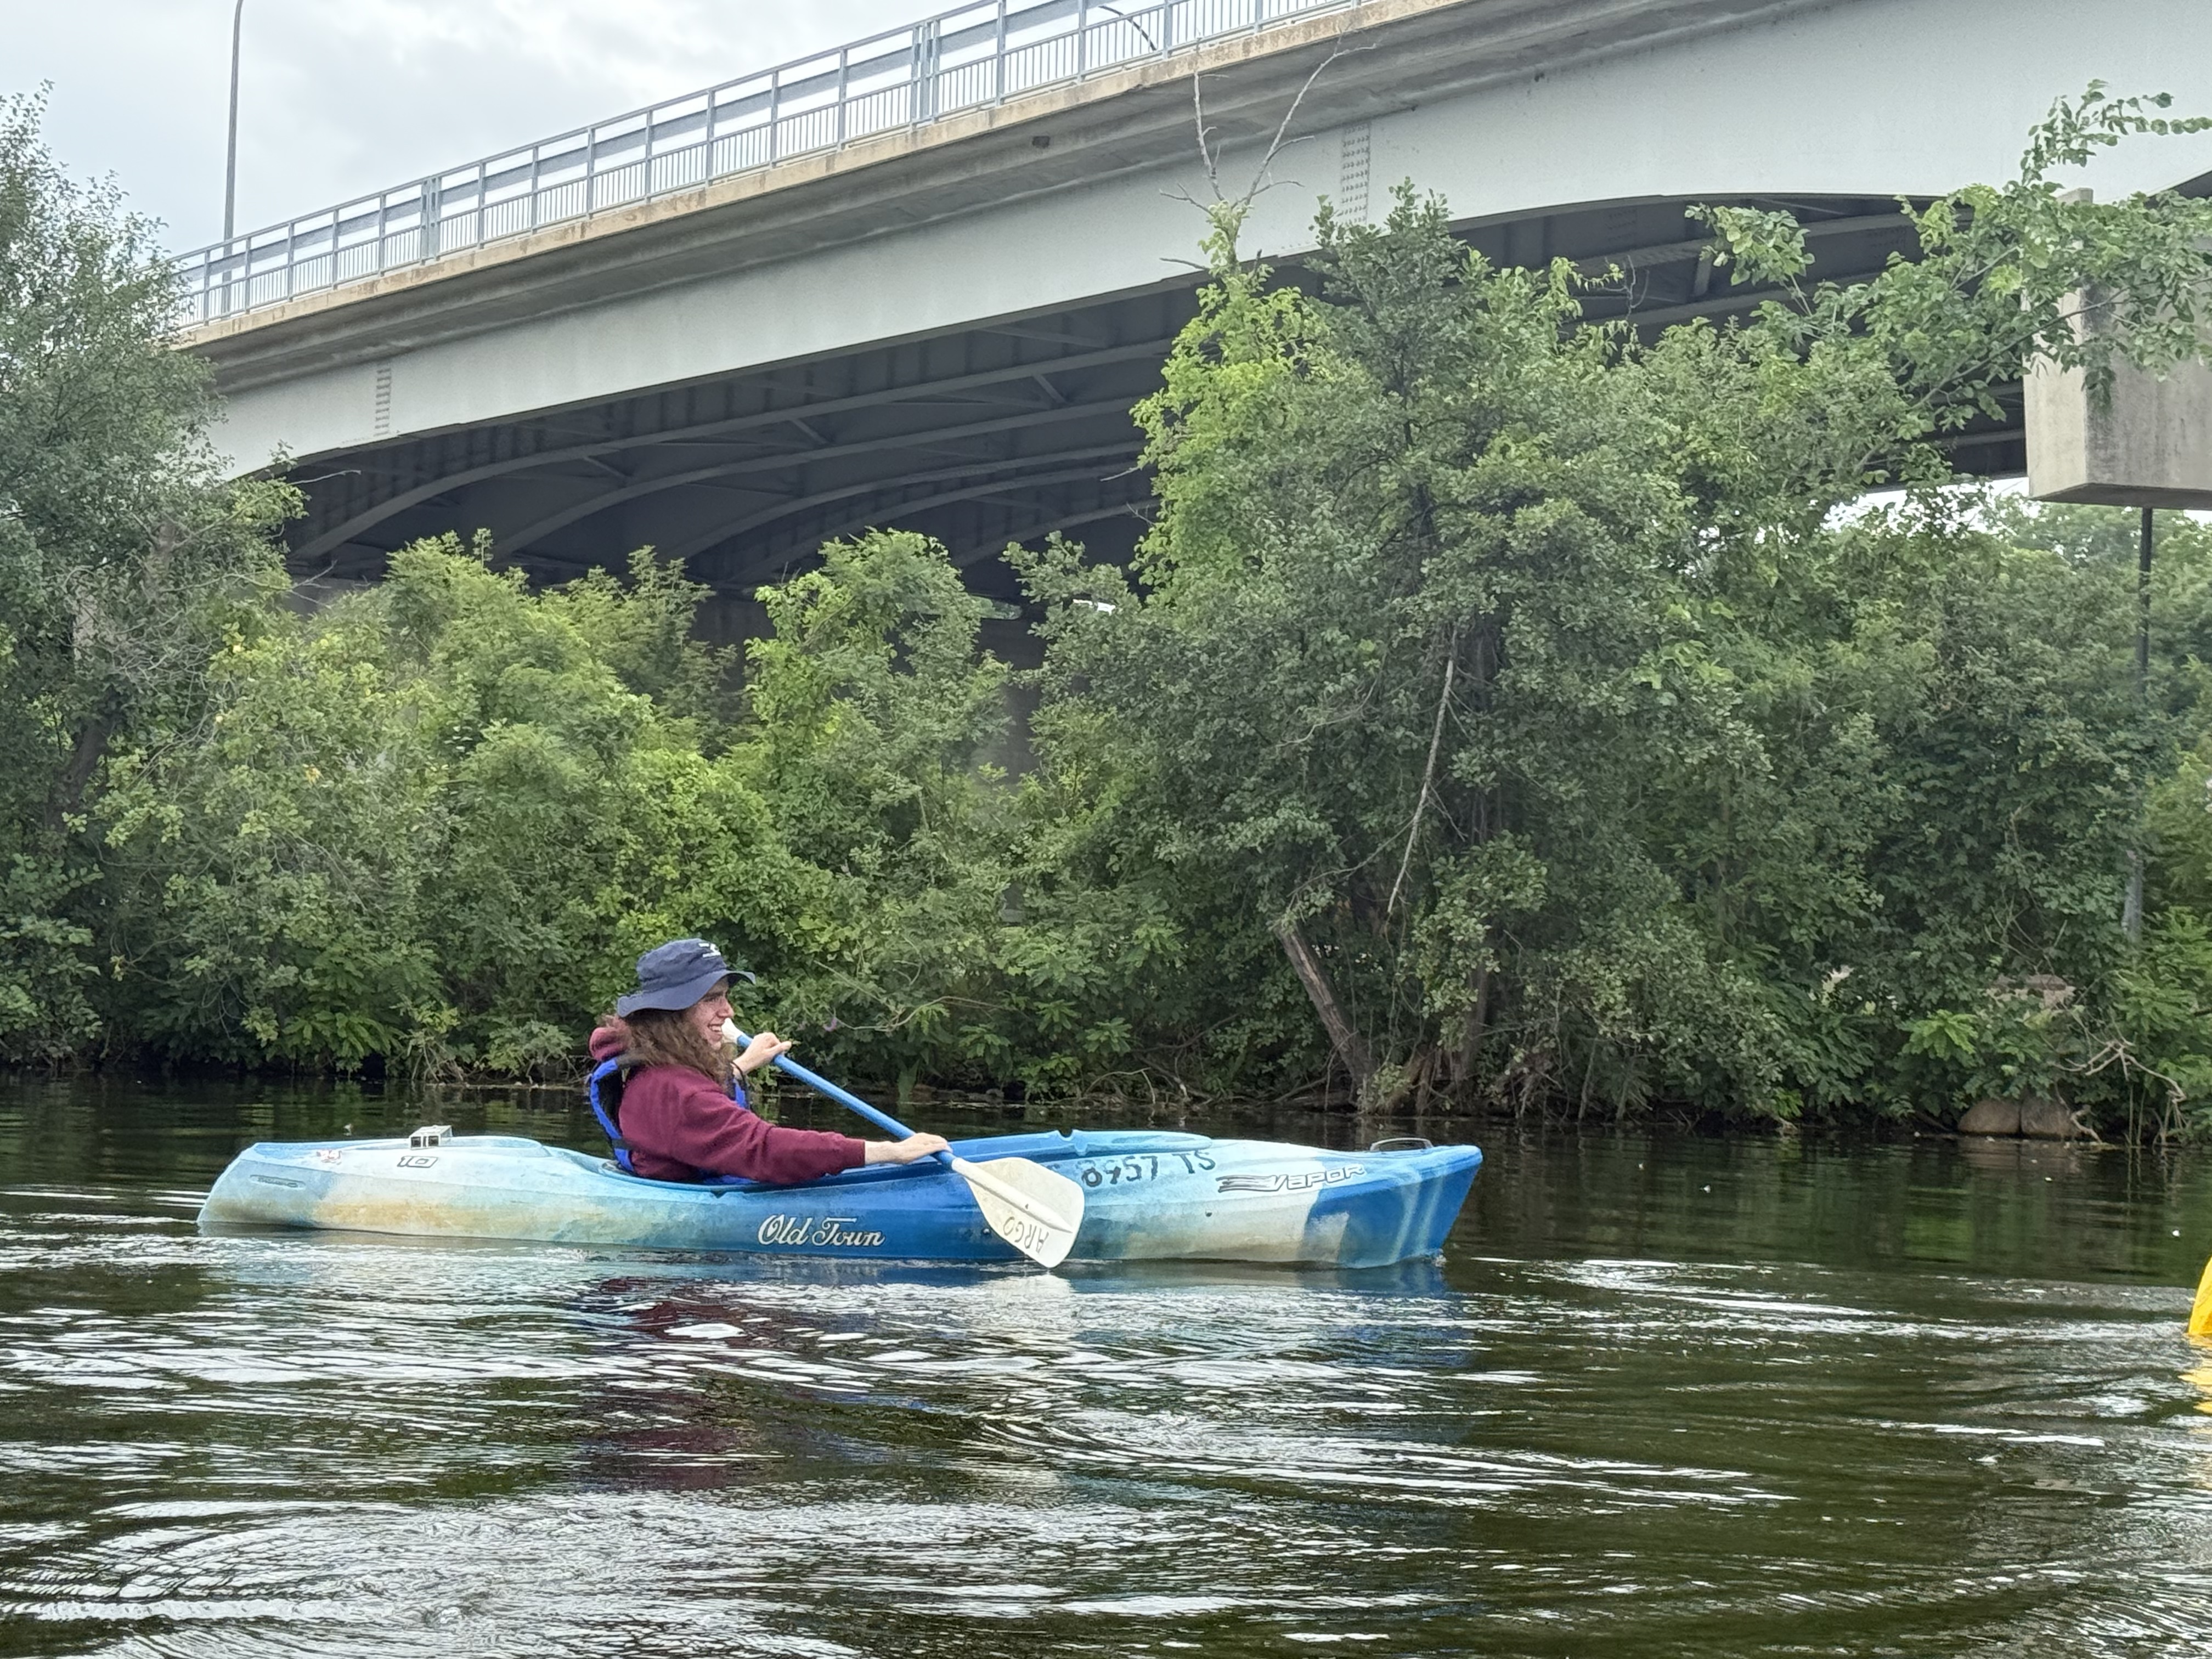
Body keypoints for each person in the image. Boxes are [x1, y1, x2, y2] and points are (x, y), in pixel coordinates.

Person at [588, 939, 948, 1184]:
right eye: (712, 999)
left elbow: (699, 1110)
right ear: (671, 1011)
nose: (728, 1012)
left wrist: (743, 1064)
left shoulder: (660, 1068)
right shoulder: (672, 1090)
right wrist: (889, 1152)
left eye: (726, 997)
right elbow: (764, 1149)